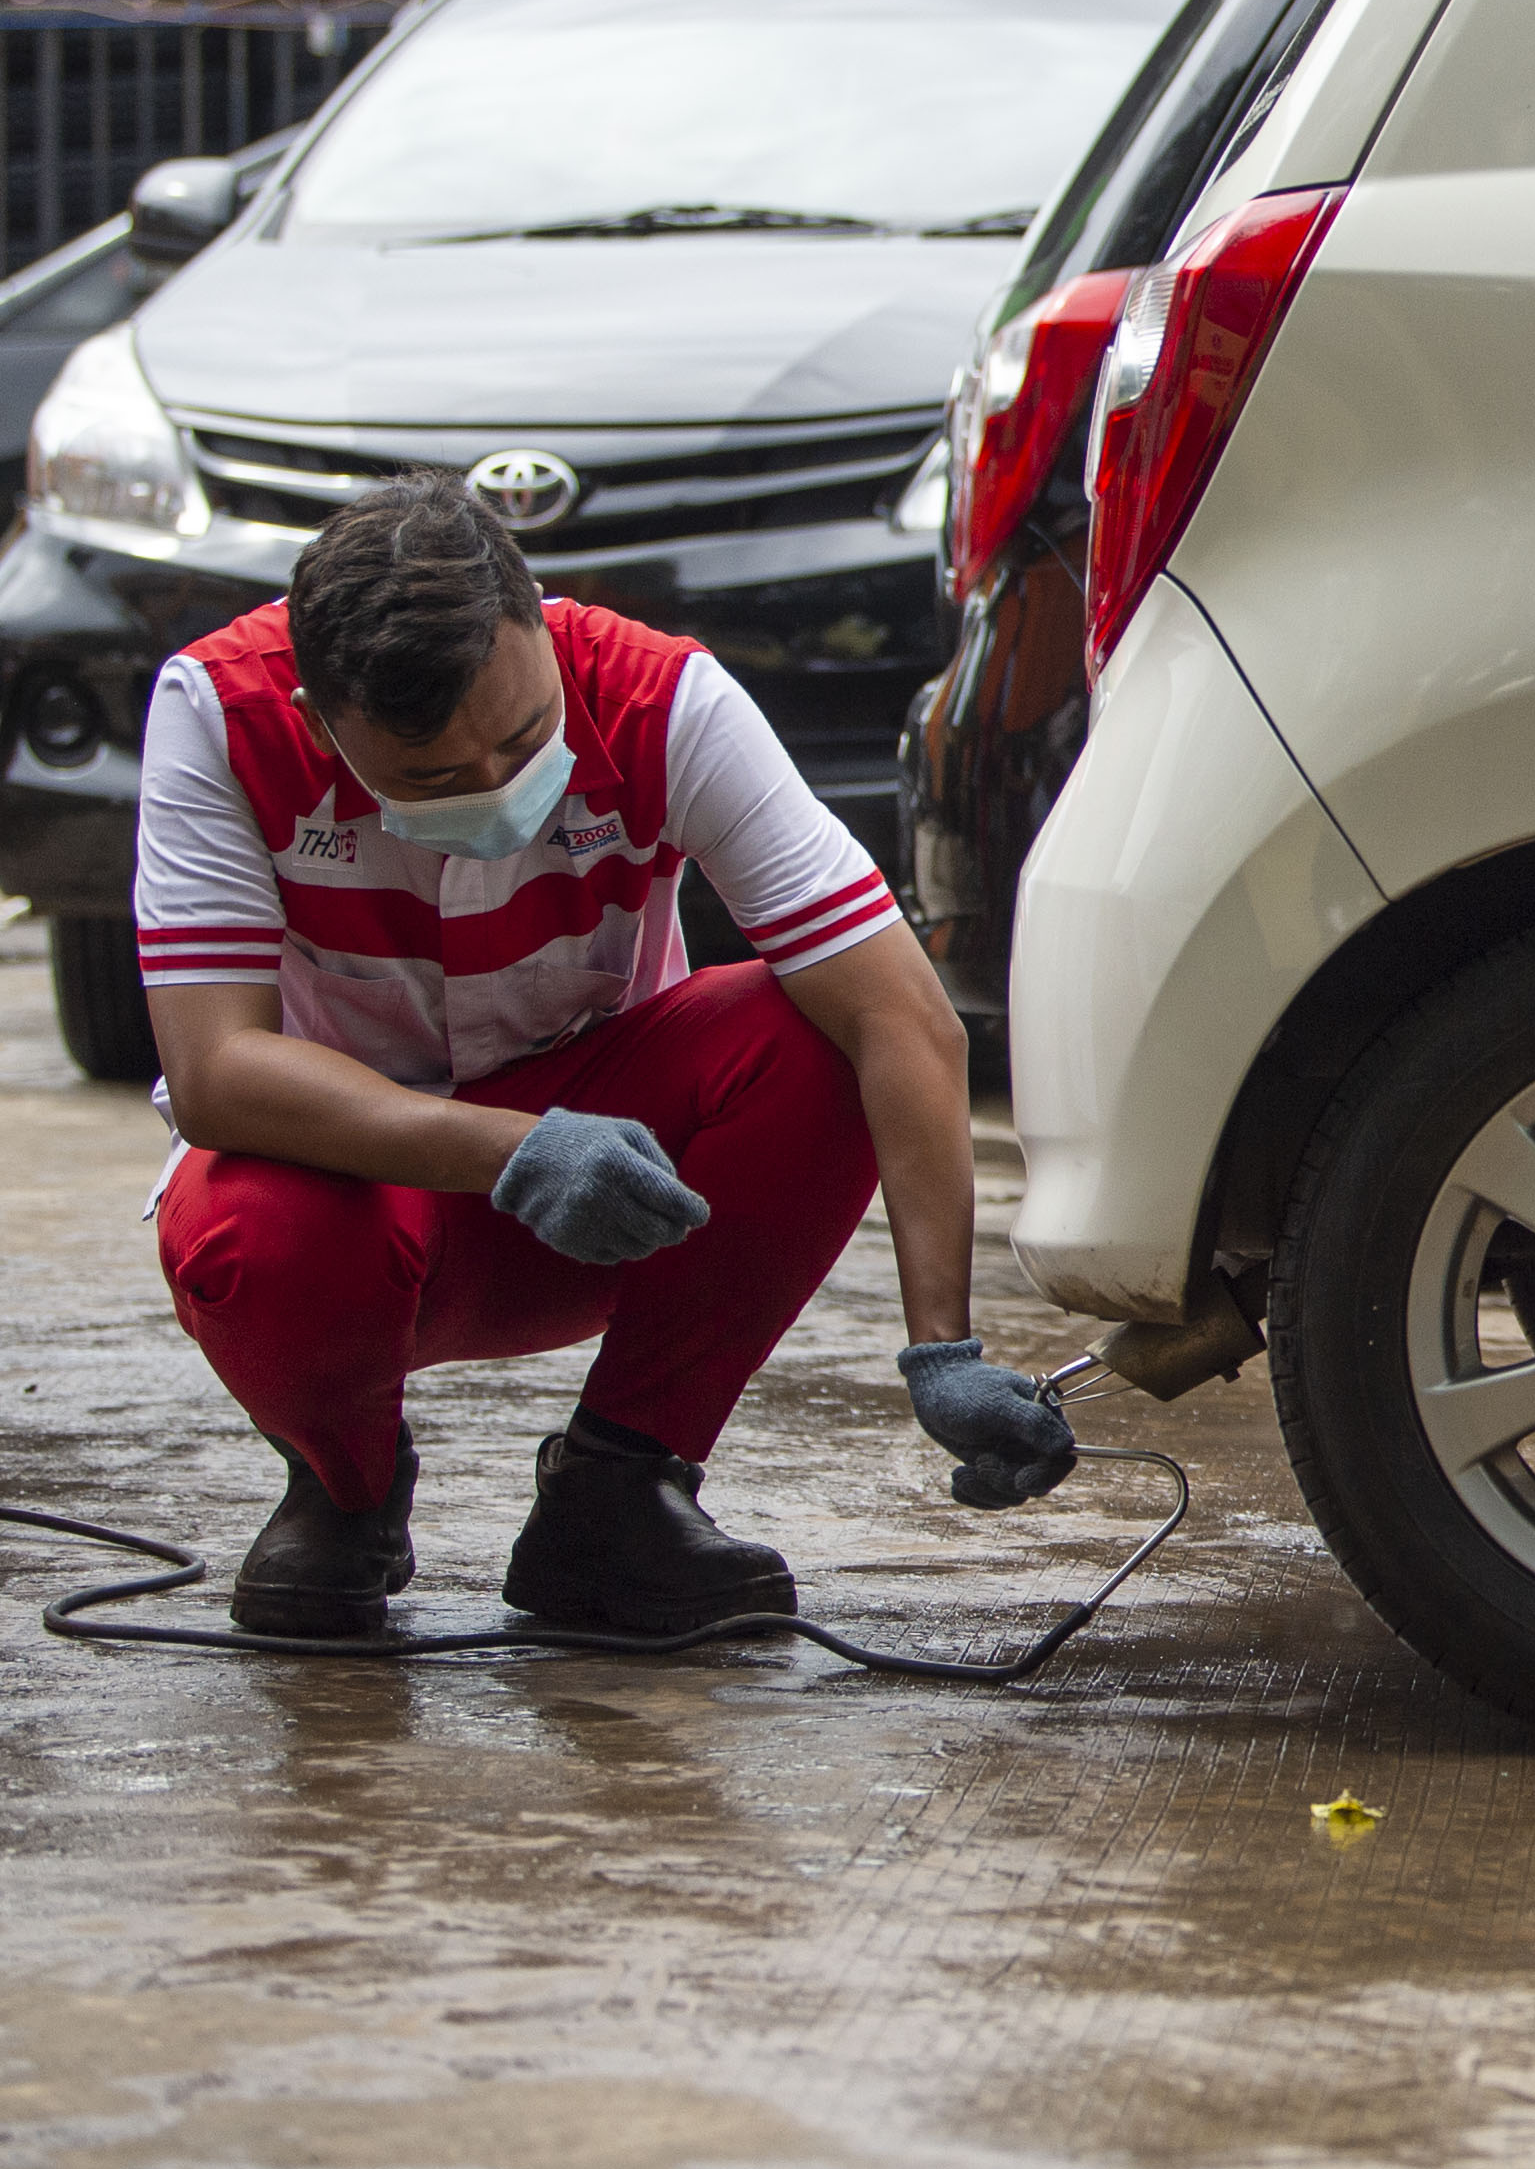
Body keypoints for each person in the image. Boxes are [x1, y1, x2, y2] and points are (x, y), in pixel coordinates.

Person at [133, 471, 1081, 1638]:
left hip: (619, 1197)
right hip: (351, 1202)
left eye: (526, 736)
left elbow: (902, 1017)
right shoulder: (218, 713)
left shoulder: (661, 695)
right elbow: (219, 1072)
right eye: (430, 778)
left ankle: (620, 1492)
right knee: (244, 1231)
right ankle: (345, 1492)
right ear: (320, 715)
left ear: (541, 621)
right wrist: (511, 1149)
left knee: (815, 1033)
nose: (495, 786)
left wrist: (943, 1347)